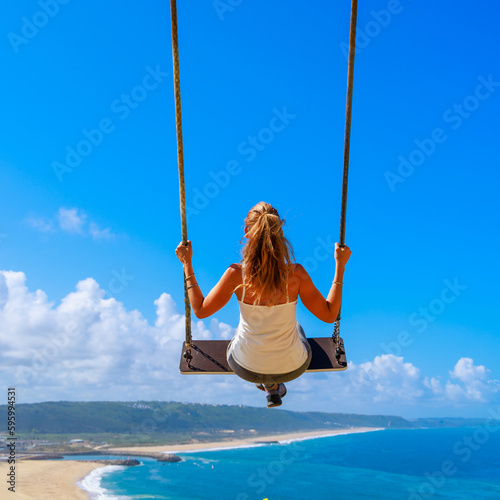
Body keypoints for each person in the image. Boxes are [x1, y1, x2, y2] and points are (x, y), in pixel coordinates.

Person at [175, 201, 351, 408]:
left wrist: (187, 264)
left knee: (243, 330)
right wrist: (340, 266)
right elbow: (330, 315)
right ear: (279, 233)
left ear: (246, 231)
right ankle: (273, 385)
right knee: (297, 328)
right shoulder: (296, 275)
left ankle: (269, 384)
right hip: (293, 367)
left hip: (245, 367)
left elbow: (201, 310)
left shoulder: (236, 275)